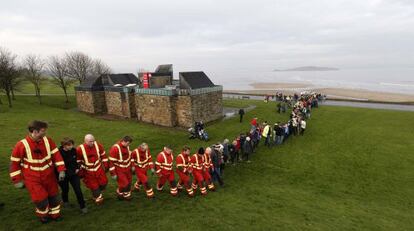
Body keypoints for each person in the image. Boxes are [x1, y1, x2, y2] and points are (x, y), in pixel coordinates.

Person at [9, 120, 66, 223]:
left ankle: (55, 215)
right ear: (35, 132)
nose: (45, 133)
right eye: (43, 131)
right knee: (41, 200)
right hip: (32, 178)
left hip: (49, 176)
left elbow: (57, 156)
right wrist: (16, 180)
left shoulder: (48, 141)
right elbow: (14, 163)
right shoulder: (21, 145)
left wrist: (61, 170)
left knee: (54, 197)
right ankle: (43, 216)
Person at [76, 134, 108, 205]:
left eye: (93, 141)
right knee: (94, 187)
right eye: (90, 141)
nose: (92, 143)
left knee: (104, 183)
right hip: (88, 172)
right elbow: (78, 162)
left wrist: (106, 166)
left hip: (99, 169)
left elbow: (103, 155)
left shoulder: (98, 145)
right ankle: (97, 198)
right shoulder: (79, 149)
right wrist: (80, 172)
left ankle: (98, 193)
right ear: (85, 141)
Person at [57, 137, 86, 213]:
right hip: (63, 175)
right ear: (64, 145)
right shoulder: (58, 153)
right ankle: (65, 202)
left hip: (74, 174)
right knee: (65, 189)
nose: (71, 146)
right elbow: (57, 164)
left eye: (72, 145)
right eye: (69, 145)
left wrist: (77, 167)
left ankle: (82, 206)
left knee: (78, 190)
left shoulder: (74, 150)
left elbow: (76, 160)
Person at [109, 136, 133, 201]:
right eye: (128, 143)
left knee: (129, 182)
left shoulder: (126, 146)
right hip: (119, 169)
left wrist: (132, 166)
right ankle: (120, 192)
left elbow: (129, 156)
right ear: (123, 141)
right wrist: (113, 174)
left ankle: (126, 194)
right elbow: (111, 162)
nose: (129, 145)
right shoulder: (115, 149)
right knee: (125, 183)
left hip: (127, 168)